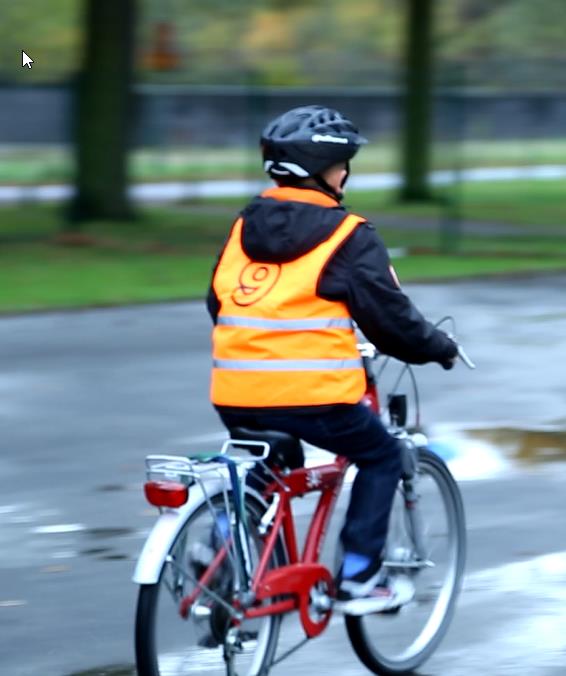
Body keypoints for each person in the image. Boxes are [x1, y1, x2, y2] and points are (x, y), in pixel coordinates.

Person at [206, 105, 458, 615]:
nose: (346, 173)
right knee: (382, 455)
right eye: (343, 163)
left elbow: (219, 301)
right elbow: (391, 318)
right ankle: (360, 577)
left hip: (234, 392)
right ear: (324, 168)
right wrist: (437, 347)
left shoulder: (243, 226)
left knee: (273, 457)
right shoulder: (348, 234)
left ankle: (217, 541)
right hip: (313, 397)